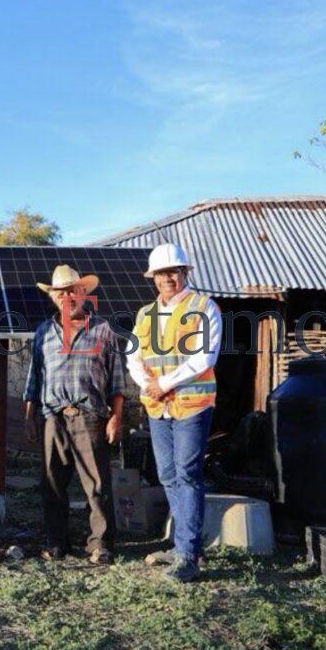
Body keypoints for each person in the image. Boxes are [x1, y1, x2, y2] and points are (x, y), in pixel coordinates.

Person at [127, 243, 222, 583]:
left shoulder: (203, 307)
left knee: (187, 473)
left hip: (191, 405)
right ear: (153, 278)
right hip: (159, 406)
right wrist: (149, 385)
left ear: (185, 273)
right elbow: (133, 356)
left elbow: (204, 357)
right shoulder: (145, 314)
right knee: (167, 474)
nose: (168, 278)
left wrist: (164, 383)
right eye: (161, 273)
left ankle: (189, 554)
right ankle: (184, 546)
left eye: (173, 272)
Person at [23, 264, 125, 565]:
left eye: (72, 290)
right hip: (52, 416)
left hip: (90, 415)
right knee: (52, 482)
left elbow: (116, 379)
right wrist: (28, 415)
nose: (66, 296)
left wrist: (116, 417)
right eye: (60, 292)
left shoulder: (103, 330)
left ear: (83, 293)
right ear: (53, 296)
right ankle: (56, 542)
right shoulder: (43, 332)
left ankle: (100, 543)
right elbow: (34, 378)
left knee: (97, 485)